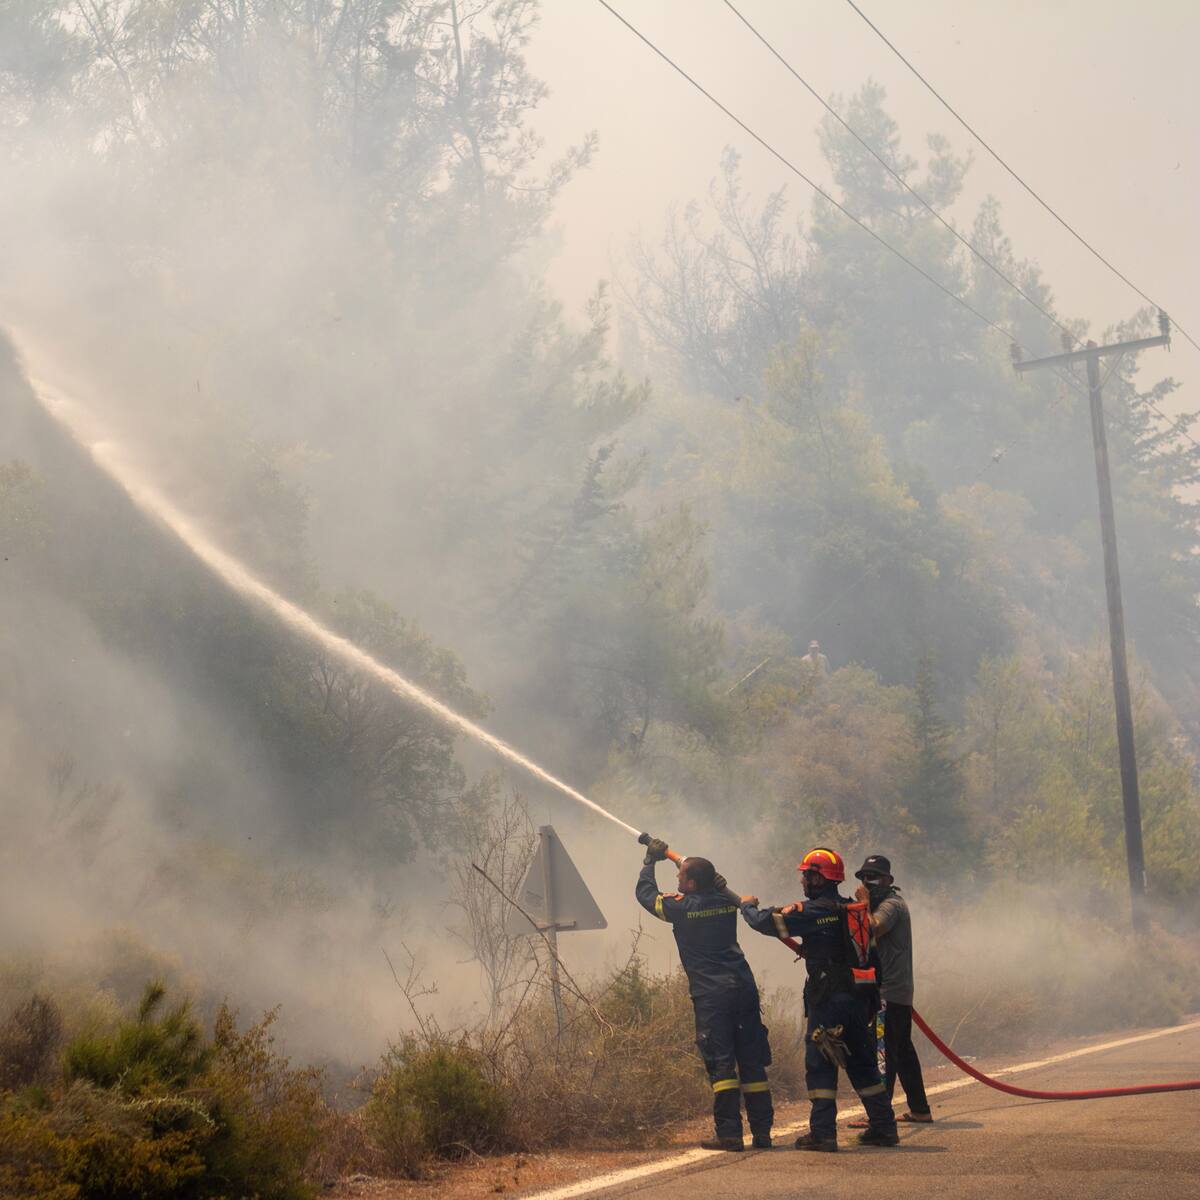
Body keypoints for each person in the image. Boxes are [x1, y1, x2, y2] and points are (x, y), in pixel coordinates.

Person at [741, 847, 898, 1152]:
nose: (803, 881)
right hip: (858, 998)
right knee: (862, 1062)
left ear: (818, 878)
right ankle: (884, 1127)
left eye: (806, 876)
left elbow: (767, 923)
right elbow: (872, 958)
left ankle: (823, 1133)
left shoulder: (814, 911)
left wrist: (747, 906)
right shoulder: (853, 910)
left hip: (828, 999)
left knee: (821, 1062)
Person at [636, 838, 774, 1151]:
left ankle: (729, 1134)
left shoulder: (680, 907)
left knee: (722, 1065)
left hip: (713, 996)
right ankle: (763, 1133)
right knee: (752, 1063)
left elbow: (646, 896)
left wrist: (649, 861)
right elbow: (724, 893)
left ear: (692, 884)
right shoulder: (727, 900)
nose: (677, 877)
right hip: (744, 988)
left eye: (681, 875)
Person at [853, 854, 931, 1124]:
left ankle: (880, 1117)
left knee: (883, 1053)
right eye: (864, 877)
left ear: (888, 880)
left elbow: (872, 929)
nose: (868, 882)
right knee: (903, 1051)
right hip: (894, 992)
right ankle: (920, 1109)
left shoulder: (891, 905)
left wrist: (863, 904)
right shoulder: (879, 906)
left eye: (874, 877)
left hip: (889, 992)